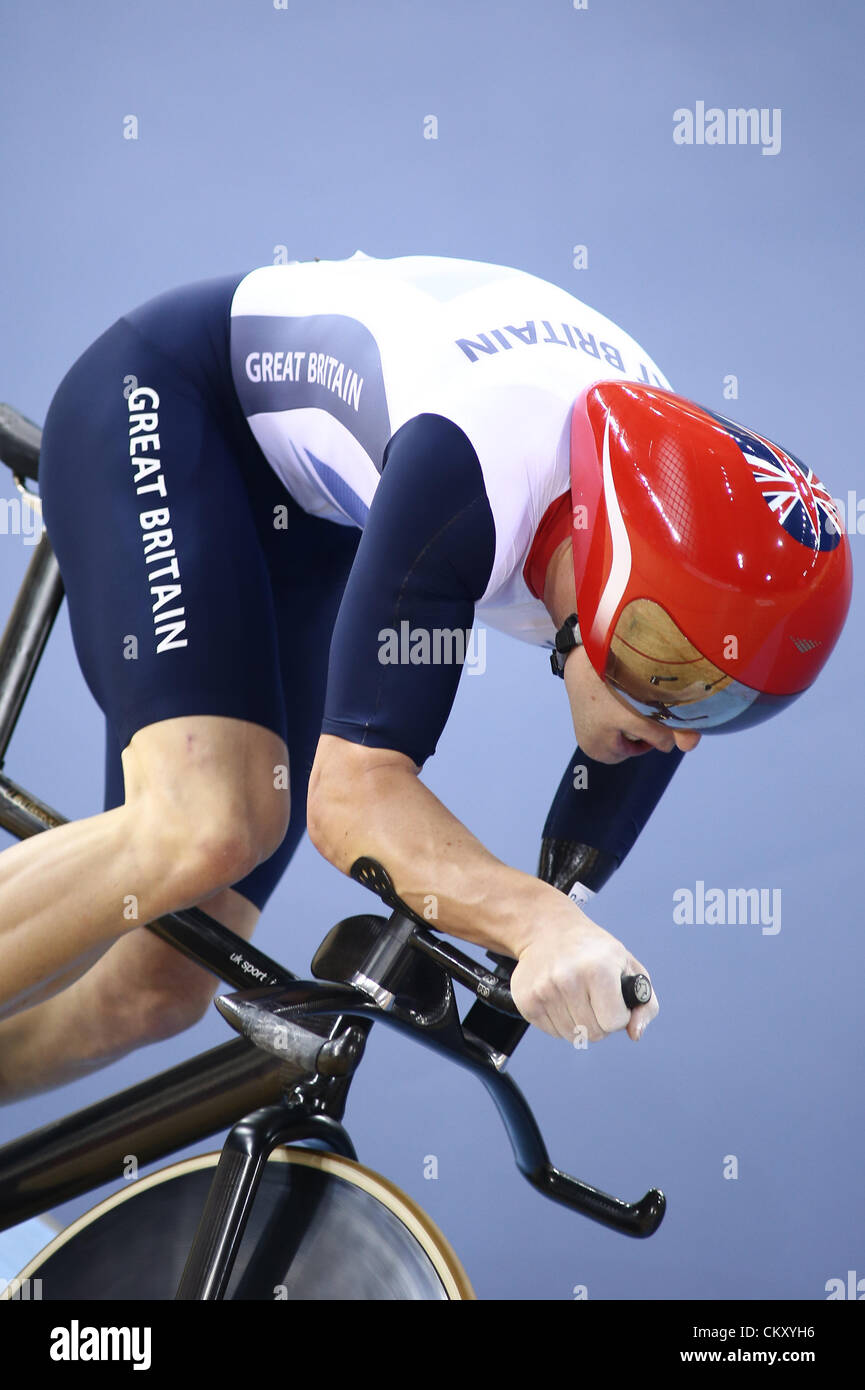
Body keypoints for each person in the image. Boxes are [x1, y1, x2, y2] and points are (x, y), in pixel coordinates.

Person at [0, 251, 851, 1100]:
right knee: (207, 823)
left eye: (724, 701)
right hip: (170, 402)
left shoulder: (670, 581)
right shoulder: (479, 472)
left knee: (156, 990)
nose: (680, 734)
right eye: (679, 683)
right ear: (611, 587)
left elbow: (590, 828)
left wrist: (549, 923)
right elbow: (352, 797)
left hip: (314, 513)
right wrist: (535, 919)